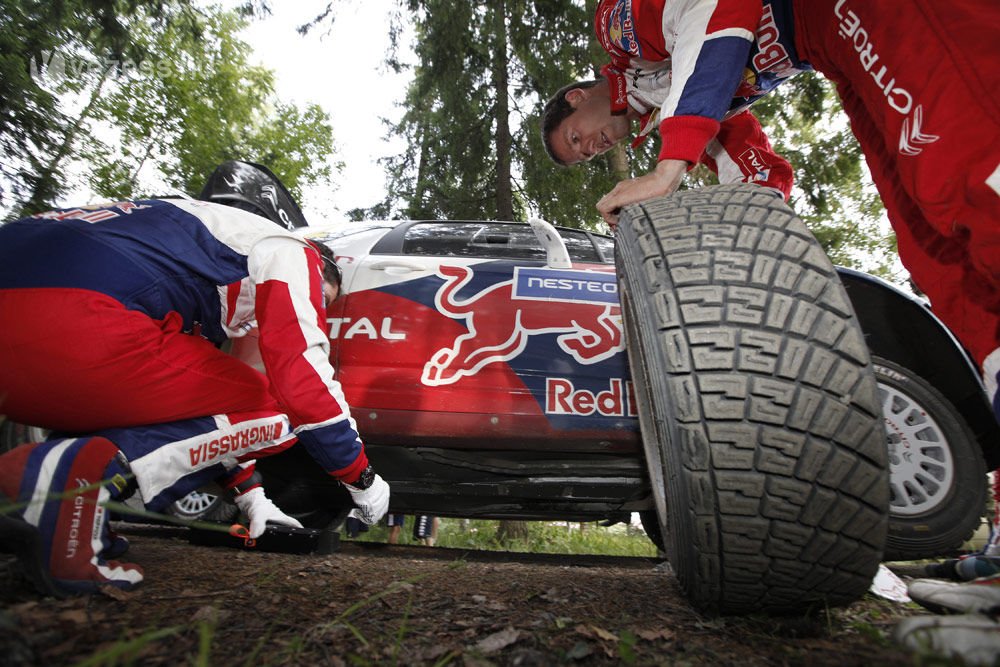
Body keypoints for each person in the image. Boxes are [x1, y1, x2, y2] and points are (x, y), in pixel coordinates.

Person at [543, 0, 1000, 422]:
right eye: (584, 156)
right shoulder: (674, 100)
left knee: (965, 169)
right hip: (831, 49)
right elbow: (758, 185)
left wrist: (670, 165)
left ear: (577, 99)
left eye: (575, 138)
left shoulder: (617, 30)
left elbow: (712, 5)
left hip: (857, 13)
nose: (591, 149)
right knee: (927, 241)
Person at [0, 161, 390, 596]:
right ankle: (68, 480)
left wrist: (252, 498)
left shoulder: (167, 226)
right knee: (284, 404)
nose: (316, 306)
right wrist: (362, 477)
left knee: (201, 385)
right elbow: (300, 378)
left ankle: (54, 506)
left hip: (29, 343)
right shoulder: (292, 248)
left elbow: (204, 406)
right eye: (322, 298)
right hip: (80, 317)